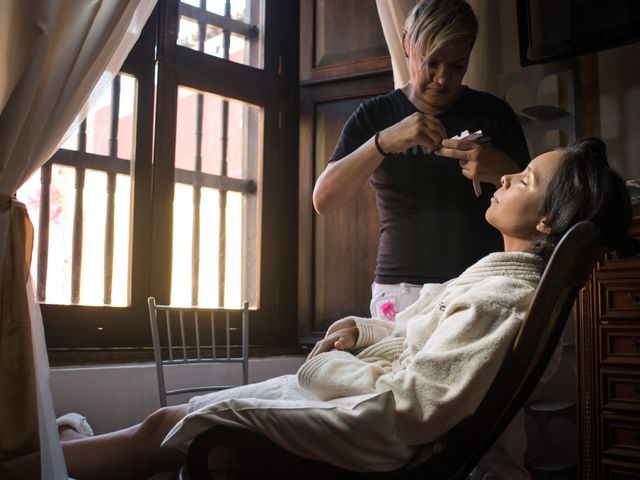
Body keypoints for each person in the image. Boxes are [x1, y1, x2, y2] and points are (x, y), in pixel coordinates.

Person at [55, 138, 635, 480]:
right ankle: (56, 450)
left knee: (173, 425)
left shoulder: (499, 302)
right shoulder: (497, 283)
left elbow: (415, 406)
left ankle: (41, 455)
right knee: (165, 423)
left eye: (526, 177)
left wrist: (332, 367)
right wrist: (360, 332)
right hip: (361, 398)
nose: (507, 173)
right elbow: (416, 332)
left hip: (370, 427)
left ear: (544, 222)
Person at [313, 0, 530, 322]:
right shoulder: (375, 115)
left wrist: (501, 169)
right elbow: (324, 200)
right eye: (431, 62)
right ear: (406, 45)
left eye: (457, 65)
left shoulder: (495, 113)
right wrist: (382, 142)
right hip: (400, 289)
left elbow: (540, 209)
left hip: (481, 284)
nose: (442, 79)